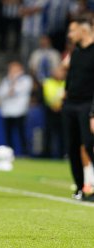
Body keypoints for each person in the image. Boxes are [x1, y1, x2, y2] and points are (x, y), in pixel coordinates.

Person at [64, 18, 94, 201]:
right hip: (71, 104)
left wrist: (93, 112)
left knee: (90, 146)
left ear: (84, 31)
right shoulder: (75, 52)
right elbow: (71, 76)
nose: (70, 35)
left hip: (87, 105)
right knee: (72, 147)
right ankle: (81, 187)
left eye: (72, 31)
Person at [0, 61, 32, 155]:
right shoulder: (6, 80)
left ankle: (25, 154)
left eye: (15, 69)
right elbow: (1, 93)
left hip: (20, 112)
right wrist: (11, 82)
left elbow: (15, 91)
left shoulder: (26, 80)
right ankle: (9, 154)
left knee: (22, 134)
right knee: (8, 136)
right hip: (7, 112)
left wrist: (13, 81)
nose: (12, 71)